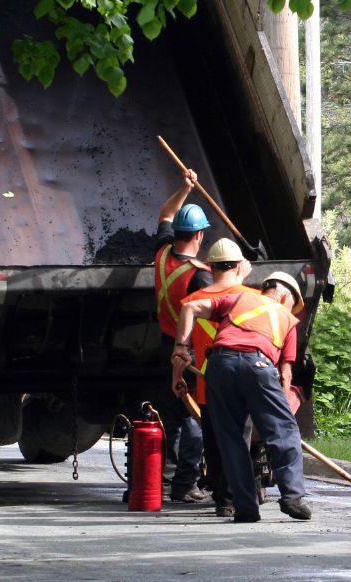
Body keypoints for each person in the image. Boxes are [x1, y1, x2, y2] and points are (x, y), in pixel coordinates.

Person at [171, 272, 311, 523]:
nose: (292, 309)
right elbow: (285, 373)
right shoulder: (287, 319)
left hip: (218, 366)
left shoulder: (237, 299)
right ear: (283, 295)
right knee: (284, 431)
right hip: (258, 364)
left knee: (232, 440)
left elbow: (189, 307)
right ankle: (292, 497)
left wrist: (181, 348)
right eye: (293, 303)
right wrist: (280, 410)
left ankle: (245, 508)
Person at [174, 238, 256, 518]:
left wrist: (177, 378)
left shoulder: (194, 301)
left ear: (209, 267)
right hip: (243, 383)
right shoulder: (250, 297)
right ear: (238, 266)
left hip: (208, 385)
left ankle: (223, 501)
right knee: (240, 441)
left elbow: (181, 349)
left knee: (215, 443)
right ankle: (235, 497)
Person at [153, 169, 212, 504]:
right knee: (194, 418)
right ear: (200, 236)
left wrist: (185, 188)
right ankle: (185, 484)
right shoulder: (199, 278)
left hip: (164, 343)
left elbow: (165, 213)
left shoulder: (161, 253)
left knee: (172, 415)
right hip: (187, 352)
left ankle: (165, 478)